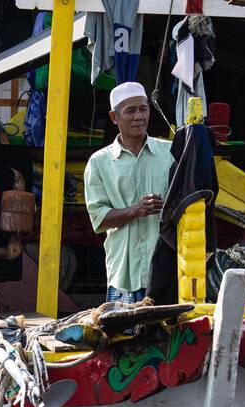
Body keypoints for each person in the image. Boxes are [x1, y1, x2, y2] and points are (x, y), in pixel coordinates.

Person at [83, 81, 174, 304]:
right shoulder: (99, 162)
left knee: (166, 335)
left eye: (143, 109)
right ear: (115, 117)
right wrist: (136, 210)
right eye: (130, 111)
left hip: (165, 269)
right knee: (124, 336)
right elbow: (99, 220)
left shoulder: (170, 152)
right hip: (124, 272)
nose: (139, 117)